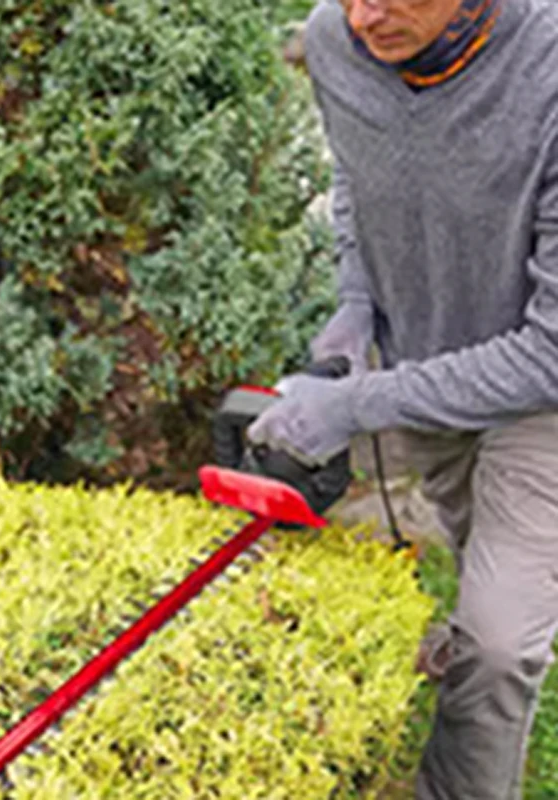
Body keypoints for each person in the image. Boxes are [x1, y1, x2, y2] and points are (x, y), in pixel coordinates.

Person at [247, 0, 558, 797]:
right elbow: (357, 175)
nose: (364, 17)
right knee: (475, 555)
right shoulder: (336, 41)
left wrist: (357, 406)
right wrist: (357, 301)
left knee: (498, 642)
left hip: (542, 391)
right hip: (427, 368)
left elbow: (551, 353)